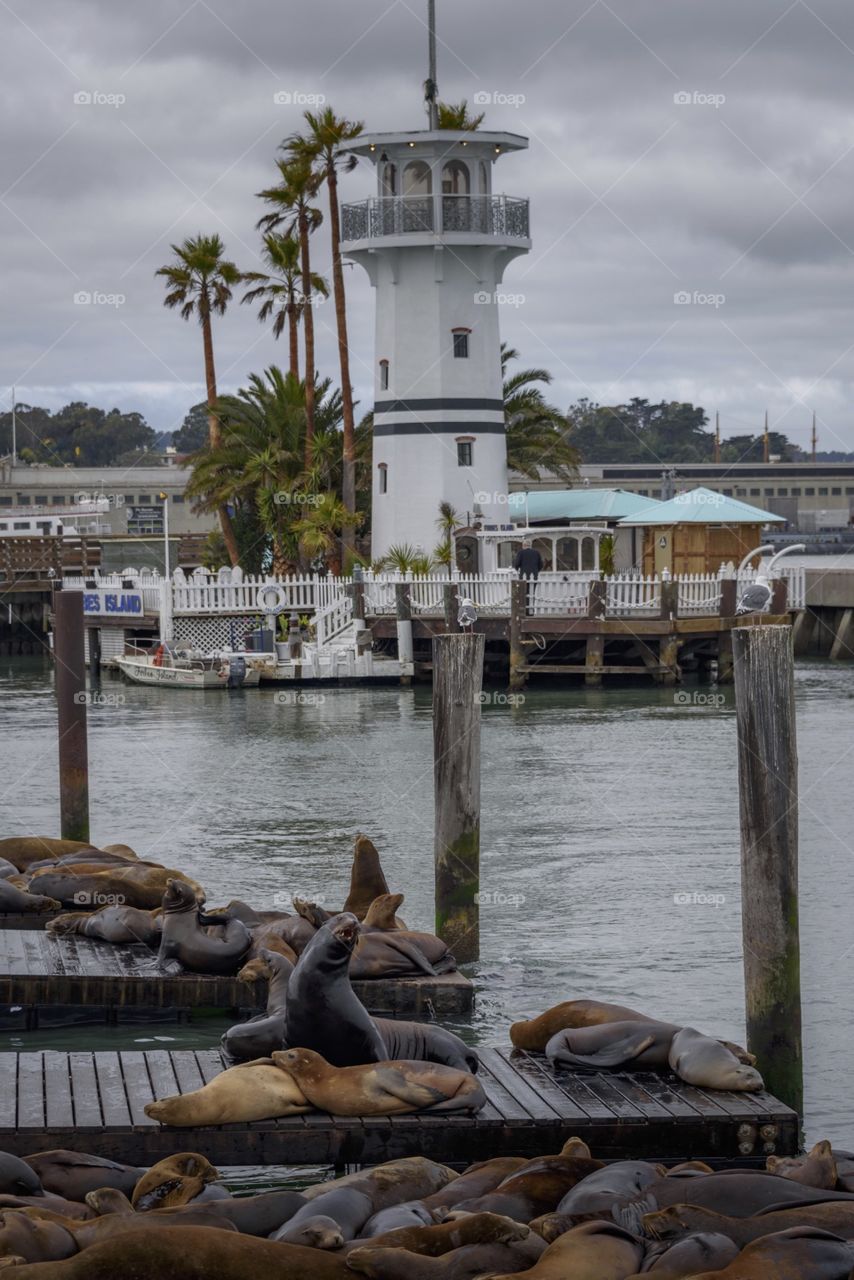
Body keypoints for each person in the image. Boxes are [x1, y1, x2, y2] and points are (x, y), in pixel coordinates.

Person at [514, 540, 542, 613]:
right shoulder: (537, 553)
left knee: (523, 593)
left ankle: (525, 610)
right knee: (532, 593)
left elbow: (517, 563)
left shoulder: (521, 553)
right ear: (530, 545)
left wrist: (518, 569)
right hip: (534, 576)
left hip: (523, 576)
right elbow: (541, 565)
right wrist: (536, 571)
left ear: (524, 545)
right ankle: (531, 610)